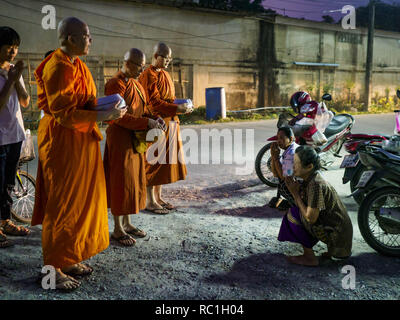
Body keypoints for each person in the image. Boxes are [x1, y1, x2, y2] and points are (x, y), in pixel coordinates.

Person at [31, 17, 126, 291]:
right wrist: (105, 114)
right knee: (62, 203)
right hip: (62, 141)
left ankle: (68, 257)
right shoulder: (57, 66)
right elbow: (63, 113)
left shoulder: (78, 65)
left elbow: (84, 102)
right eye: (86, 35)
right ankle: (51, 270)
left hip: (82, 139)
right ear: (70, 38)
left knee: (81, 200)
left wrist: (107, 108)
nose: (90, 40)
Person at [103, 48, 165, 246]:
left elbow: (143, 110)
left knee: (133, 183)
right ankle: (117, 229)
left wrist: (155, 118)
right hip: (120, 140)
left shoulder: (137, 85)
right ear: (127, 63)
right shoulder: (115, 84)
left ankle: (128, 223)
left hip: (135, 140)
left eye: (143, 65)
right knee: (120, 183)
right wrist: (146, 124)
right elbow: (118, 116)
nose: (142, 69)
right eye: (139, 65)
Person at [278, 145, 353, 266]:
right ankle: (331, 250)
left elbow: (310, 218)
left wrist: (295, 193)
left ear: (309, 167)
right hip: (338, 235)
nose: (292, 167)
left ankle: (309, 258)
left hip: (338, 238)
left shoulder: (315, 184)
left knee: (293, 214)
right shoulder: (312, 178)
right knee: (298, 209)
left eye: (296, 164)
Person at [139, 42, 191, 214]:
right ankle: (149, 200)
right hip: (156, 122)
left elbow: (170, 98)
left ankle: (158, 196)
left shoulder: (166, 75)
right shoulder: (148, 75)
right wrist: (176, 108)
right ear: (156, 56)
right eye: (165, 57)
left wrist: (182, 106)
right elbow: (154, 102)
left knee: (163, 162)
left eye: (170, 58)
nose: (168, 61)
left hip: (170, 122)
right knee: (153, 162)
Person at [0, 26, 31, 248]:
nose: (13, 52)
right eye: (9, 46)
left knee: (9, 183)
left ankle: (6, 221)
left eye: (16, 47)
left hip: (15, 134)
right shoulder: (7, 74)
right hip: (0, 138)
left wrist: (17, 79)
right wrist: (10, 79)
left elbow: (25, 102)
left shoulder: (13, 71)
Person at [269, 126, 299, 210]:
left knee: (283, 186)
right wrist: (273, 156)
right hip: (297, 182)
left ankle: (296, 203)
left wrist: (275, 158)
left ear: (290, 138)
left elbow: (284, 178)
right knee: (281, 183)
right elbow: (276, 174)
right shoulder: (288, 149)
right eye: (278, 138)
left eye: (282, 138)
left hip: (302, 187)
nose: (278, 141)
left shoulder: (291, 153)